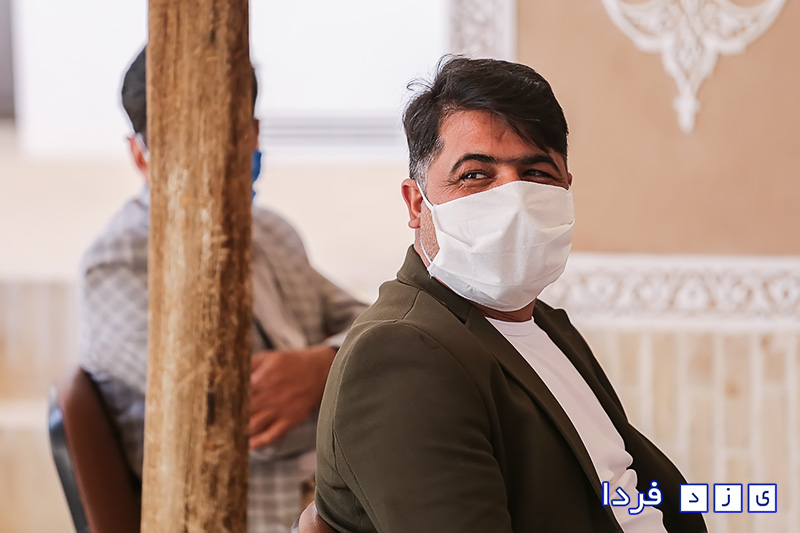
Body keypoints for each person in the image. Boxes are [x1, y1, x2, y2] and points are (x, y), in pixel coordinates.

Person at [314, 57, 706, 532]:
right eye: (475, 175)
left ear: (566, 188)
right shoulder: (400, 353)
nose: (513, 199)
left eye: (536, 172)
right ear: (417, 203)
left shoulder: (545, 325)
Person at [78, 47, 367, 533]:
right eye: (184, 139)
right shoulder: (119, 264)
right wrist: (359, 373)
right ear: (140, 154)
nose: (210, 153)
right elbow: (251, 416)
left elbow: (379, 328)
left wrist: (323, 366)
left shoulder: (271, 231)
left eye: (229, 131)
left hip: (339, 503)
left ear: (254, 133)